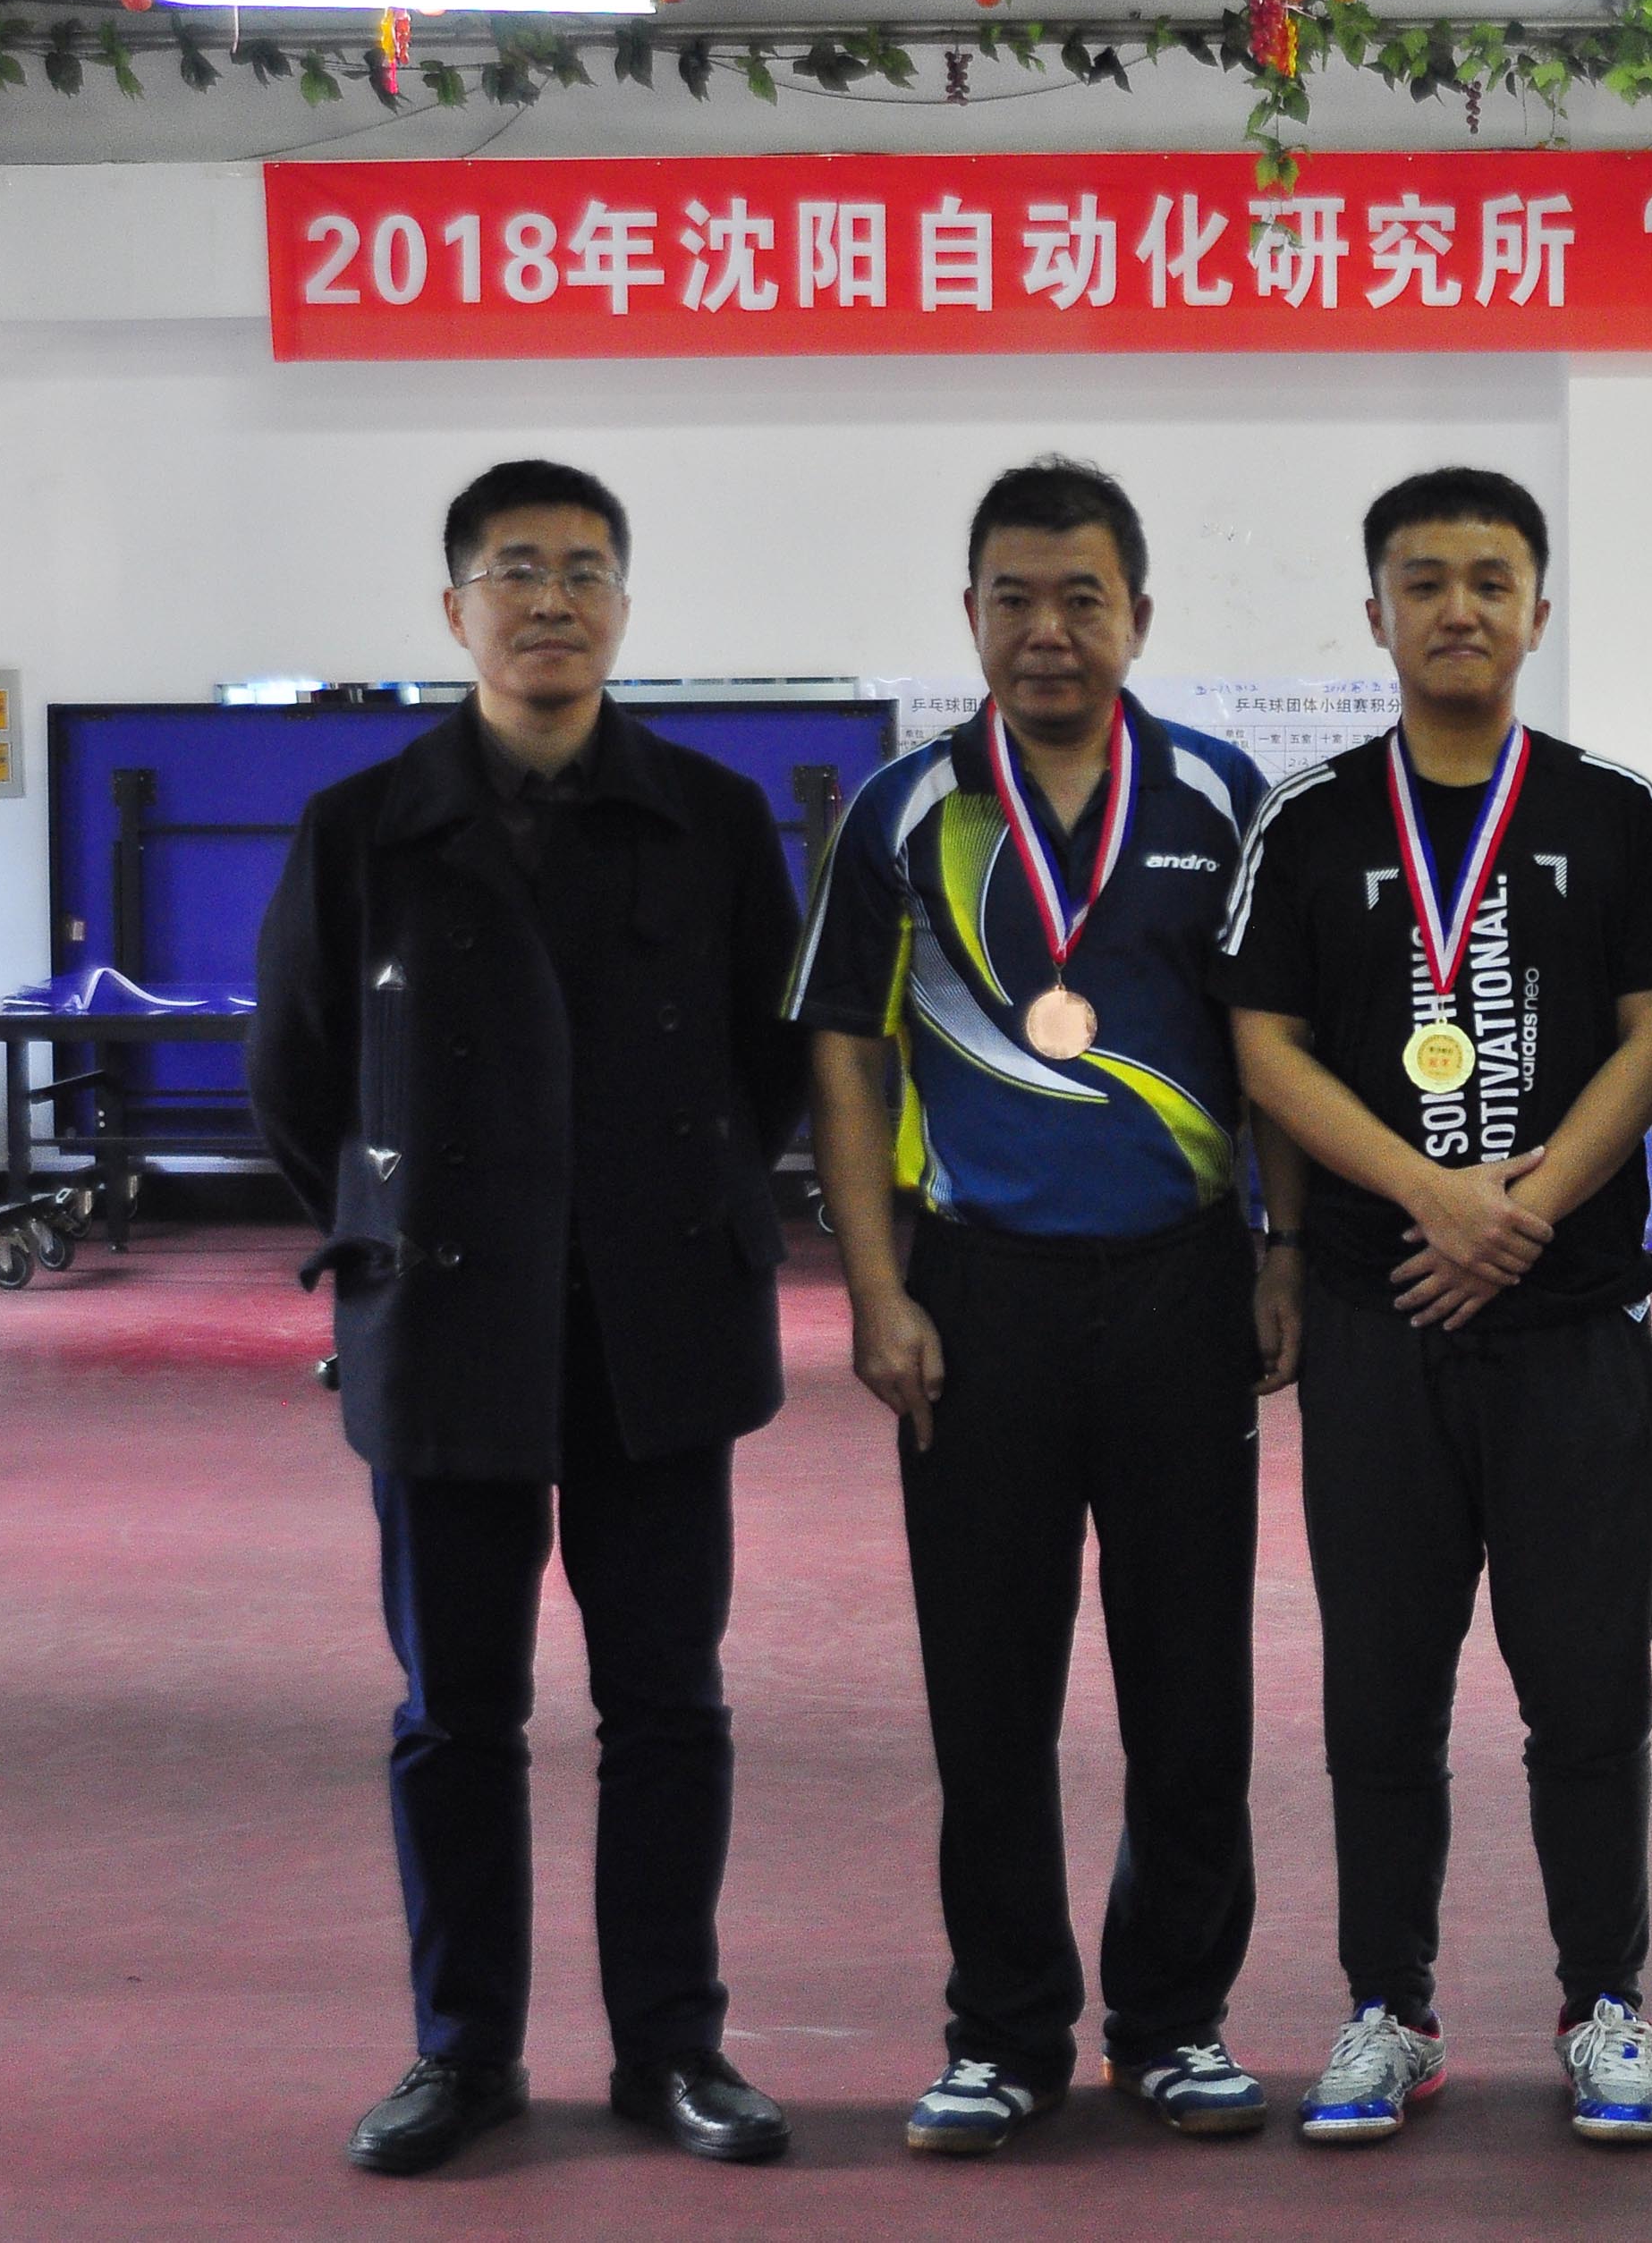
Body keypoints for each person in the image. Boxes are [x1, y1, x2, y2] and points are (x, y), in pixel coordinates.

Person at [249, 460, 808, 2177]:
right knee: (454, 1711)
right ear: (455, 610)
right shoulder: (362, 827)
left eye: (582, 570)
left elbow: (771, 1062)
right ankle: (462, 2049)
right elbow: (298, 1080)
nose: (550, 600)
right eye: (514, 570)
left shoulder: (714, 817)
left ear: (625, 606)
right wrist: (408, 1224)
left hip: (657, 1326)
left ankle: (672, 2045)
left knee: (669, 1705)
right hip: (446, 1326)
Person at [787, 458, 1298, 2154]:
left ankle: (1173, 2019)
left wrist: (1284, 1249)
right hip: (978, 1294)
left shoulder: (1224, 796)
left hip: (1180, 1285)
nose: (1049, 631)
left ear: (1139, 613)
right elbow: (846, 1055)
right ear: (971, 615)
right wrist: (876, 1288)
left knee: (1190, 1679)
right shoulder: (901, 811)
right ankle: (1001, 2031)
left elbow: (1274, 1052)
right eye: (1014, 598)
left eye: (1083, 598)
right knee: (988, 1685)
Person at [1213, 467, 1652, 2147]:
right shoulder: (1308, 820)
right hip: (1381, 1324)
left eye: (1492, 580)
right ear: (1377, 613)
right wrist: (1435, 1197)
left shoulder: (1615, 812)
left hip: (1571, 1324)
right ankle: (1387, 2009)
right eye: (1424, 582)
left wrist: (1526, 1210)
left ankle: (1606, 2003)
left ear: (1538, 611)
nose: (1459, 609)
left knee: (1590, 1689)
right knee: (1381, 1690)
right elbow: (1264, 1044)